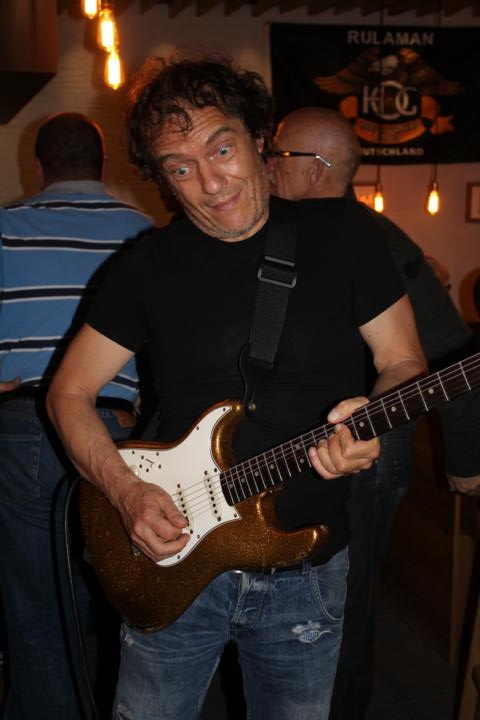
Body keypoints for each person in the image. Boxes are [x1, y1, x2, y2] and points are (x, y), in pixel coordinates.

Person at [46, 55, 427, 720]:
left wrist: (373, 415)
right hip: (173, 558)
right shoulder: (146, 267)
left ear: (258, 139)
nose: (209, 182)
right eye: (179, 167)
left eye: (221, 149)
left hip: (306, 565)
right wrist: (126, 492)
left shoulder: (345, 234)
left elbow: (404, 363)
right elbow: (68, 393)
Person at [268, 105, 480, 719]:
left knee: (344, 606)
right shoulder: (281, 231)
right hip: (306, 450)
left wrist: (466, 459)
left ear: (316, 168)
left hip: (370, 448)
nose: (268, 166)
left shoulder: (372, 239)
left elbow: (451, 352)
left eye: (279, 155)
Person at [0, 112, 153, 720]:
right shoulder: (144, 234)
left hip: (23, 426)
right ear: (103, 165)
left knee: (36, 605)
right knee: (120, 594)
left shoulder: (5, 229)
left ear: (38, 169)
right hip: (117, 429)